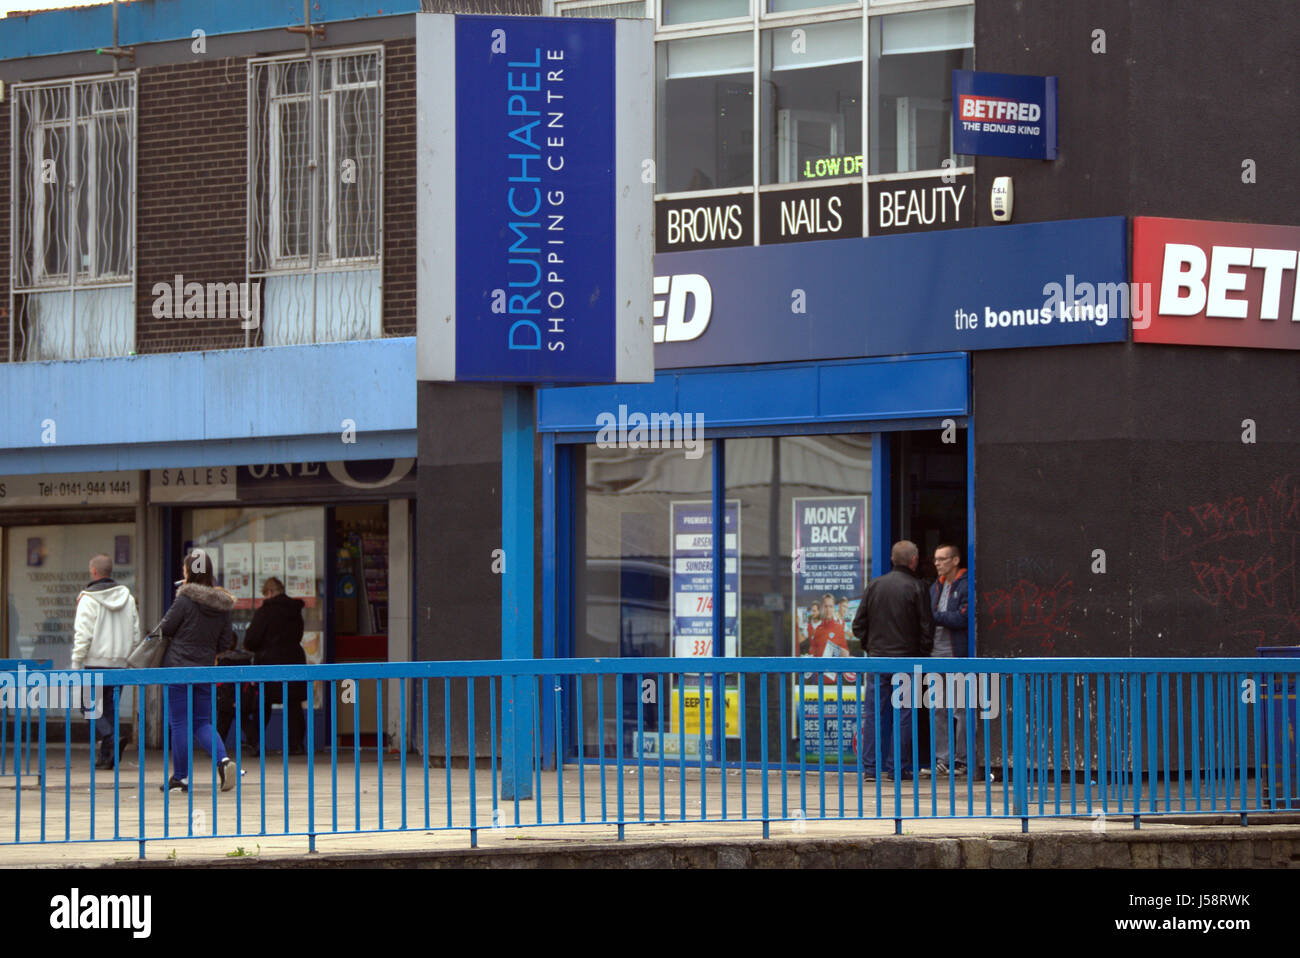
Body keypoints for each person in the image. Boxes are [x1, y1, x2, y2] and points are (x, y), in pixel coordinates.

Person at [851, 540, 933, 781]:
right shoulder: (918, 587)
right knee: (904, 714)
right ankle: (897, 768)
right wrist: (921, 653)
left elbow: (858, 625)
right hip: (906, 661)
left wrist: (871, 646)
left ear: (892, 559)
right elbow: (927, 627)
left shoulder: (874, 585)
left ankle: (870, 768)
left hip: (877, 660)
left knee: (874, 713)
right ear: (914, 560)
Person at [157, 550, 238, 792]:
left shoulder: (184, 599)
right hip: (205, 669)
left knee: (180, 722)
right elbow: (226, 642)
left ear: (189, 572)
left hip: (178, 669)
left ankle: (181, 777)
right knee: (202, 721)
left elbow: (166, 628)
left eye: (184, 569)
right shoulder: (222, 604)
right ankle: (223, 761)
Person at [71, 554, 140, 769]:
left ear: (93, 571)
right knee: (109, 710)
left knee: (87, 705)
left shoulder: (88, 599)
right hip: (120, 665)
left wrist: (76, 663)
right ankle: (107, 758)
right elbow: (136, 634)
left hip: (94, 664)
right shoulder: (127, 598)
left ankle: (110, 737)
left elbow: (83, 634)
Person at [243, 576, 308, 753]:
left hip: (269, 661)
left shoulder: (266, 611)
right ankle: (296, 745)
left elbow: (252, 639)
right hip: (293, 659)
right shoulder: (295, 611)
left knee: (263, 702)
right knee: (293, 703)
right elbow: (299, 634)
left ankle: (256, 742)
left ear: (270, 593)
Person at [930, 544, 970, 776]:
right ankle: (943, 759)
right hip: (936, 655)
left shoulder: (965, 584)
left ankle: (962, 760)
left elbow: (963, 618)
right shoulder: (935, 587)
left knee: (961, 709)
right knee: (938, 709)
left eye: (942, 559)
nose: (937, 563)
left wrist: (934, 617)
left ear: (955, 560)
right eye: (935, 559)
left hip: (957, 656)